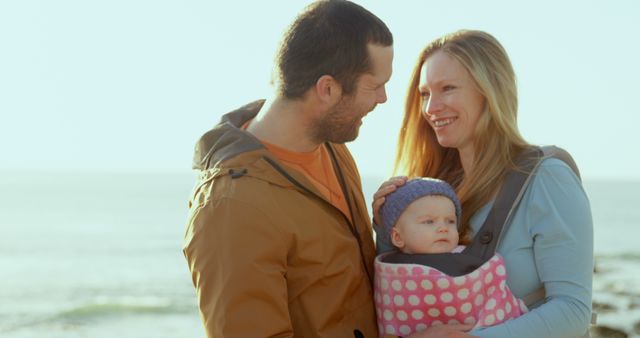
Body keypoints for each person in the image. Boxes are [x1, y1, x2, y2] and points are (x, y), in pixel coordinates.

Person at [182, 1, 393, 337]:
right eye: (375, 86)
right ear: (327, 89)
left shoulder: (334, 149)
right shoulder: (231, 208)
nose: (383, 98)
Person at [372, 30, 593, 338]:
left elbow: (573, 311)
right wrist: (386, 232)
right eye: (424, 94)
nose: (431, 108)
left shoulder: (547, 178)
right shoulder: (429, 189)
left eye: (447, 88)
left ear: (490, 92)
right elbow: (399, 296)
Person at [374, 178, 527, 337]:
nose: (443, 228)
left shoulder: (470, 261)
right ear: (397, 238)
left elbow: (493, 295)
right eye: (429, 221)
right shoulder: (389, 269)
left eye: (450, 221)